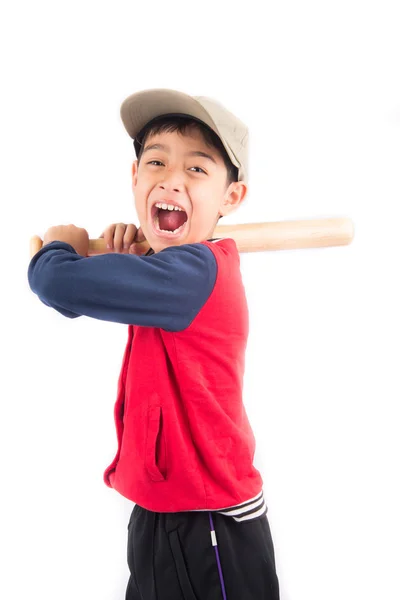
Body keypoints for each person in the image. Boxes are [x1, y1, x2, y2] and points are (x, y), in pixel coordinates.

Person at [27, 88, 280, 599]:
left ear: (232, 197)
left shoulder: (198, 271)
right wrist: (117, 259)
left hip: (209, 524)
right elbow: (95, 292)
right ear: (135, 177)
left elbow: (57, 286)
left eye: (197, 170)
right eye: (156, 162)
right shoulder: (169, 274)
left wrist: (61, 249)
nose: (171, 178)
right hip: (159, 513)